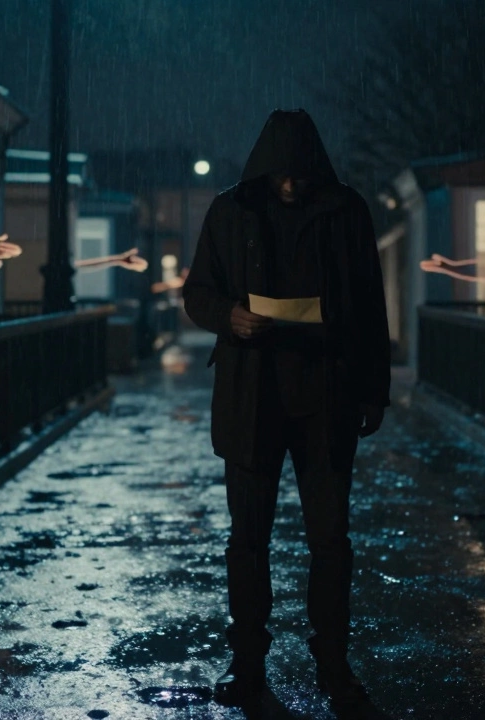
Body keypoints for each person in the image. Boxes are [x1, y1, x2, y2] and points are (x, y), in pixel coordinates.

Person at [181, 109, 391, 712]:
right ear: (264, 169)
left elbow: (370, 306)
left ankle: (333, 666)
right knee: (248, 542)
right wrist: (230, 317)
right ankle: (248, 667)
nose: (292, 185)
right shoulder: (232, 211)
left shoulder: (345, 211)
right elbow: (198, 292)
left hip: (326, 398)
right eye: (282, 175)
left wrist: (373, 391)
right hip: (253, 399)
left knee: (330, 542)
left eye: (300, 174)